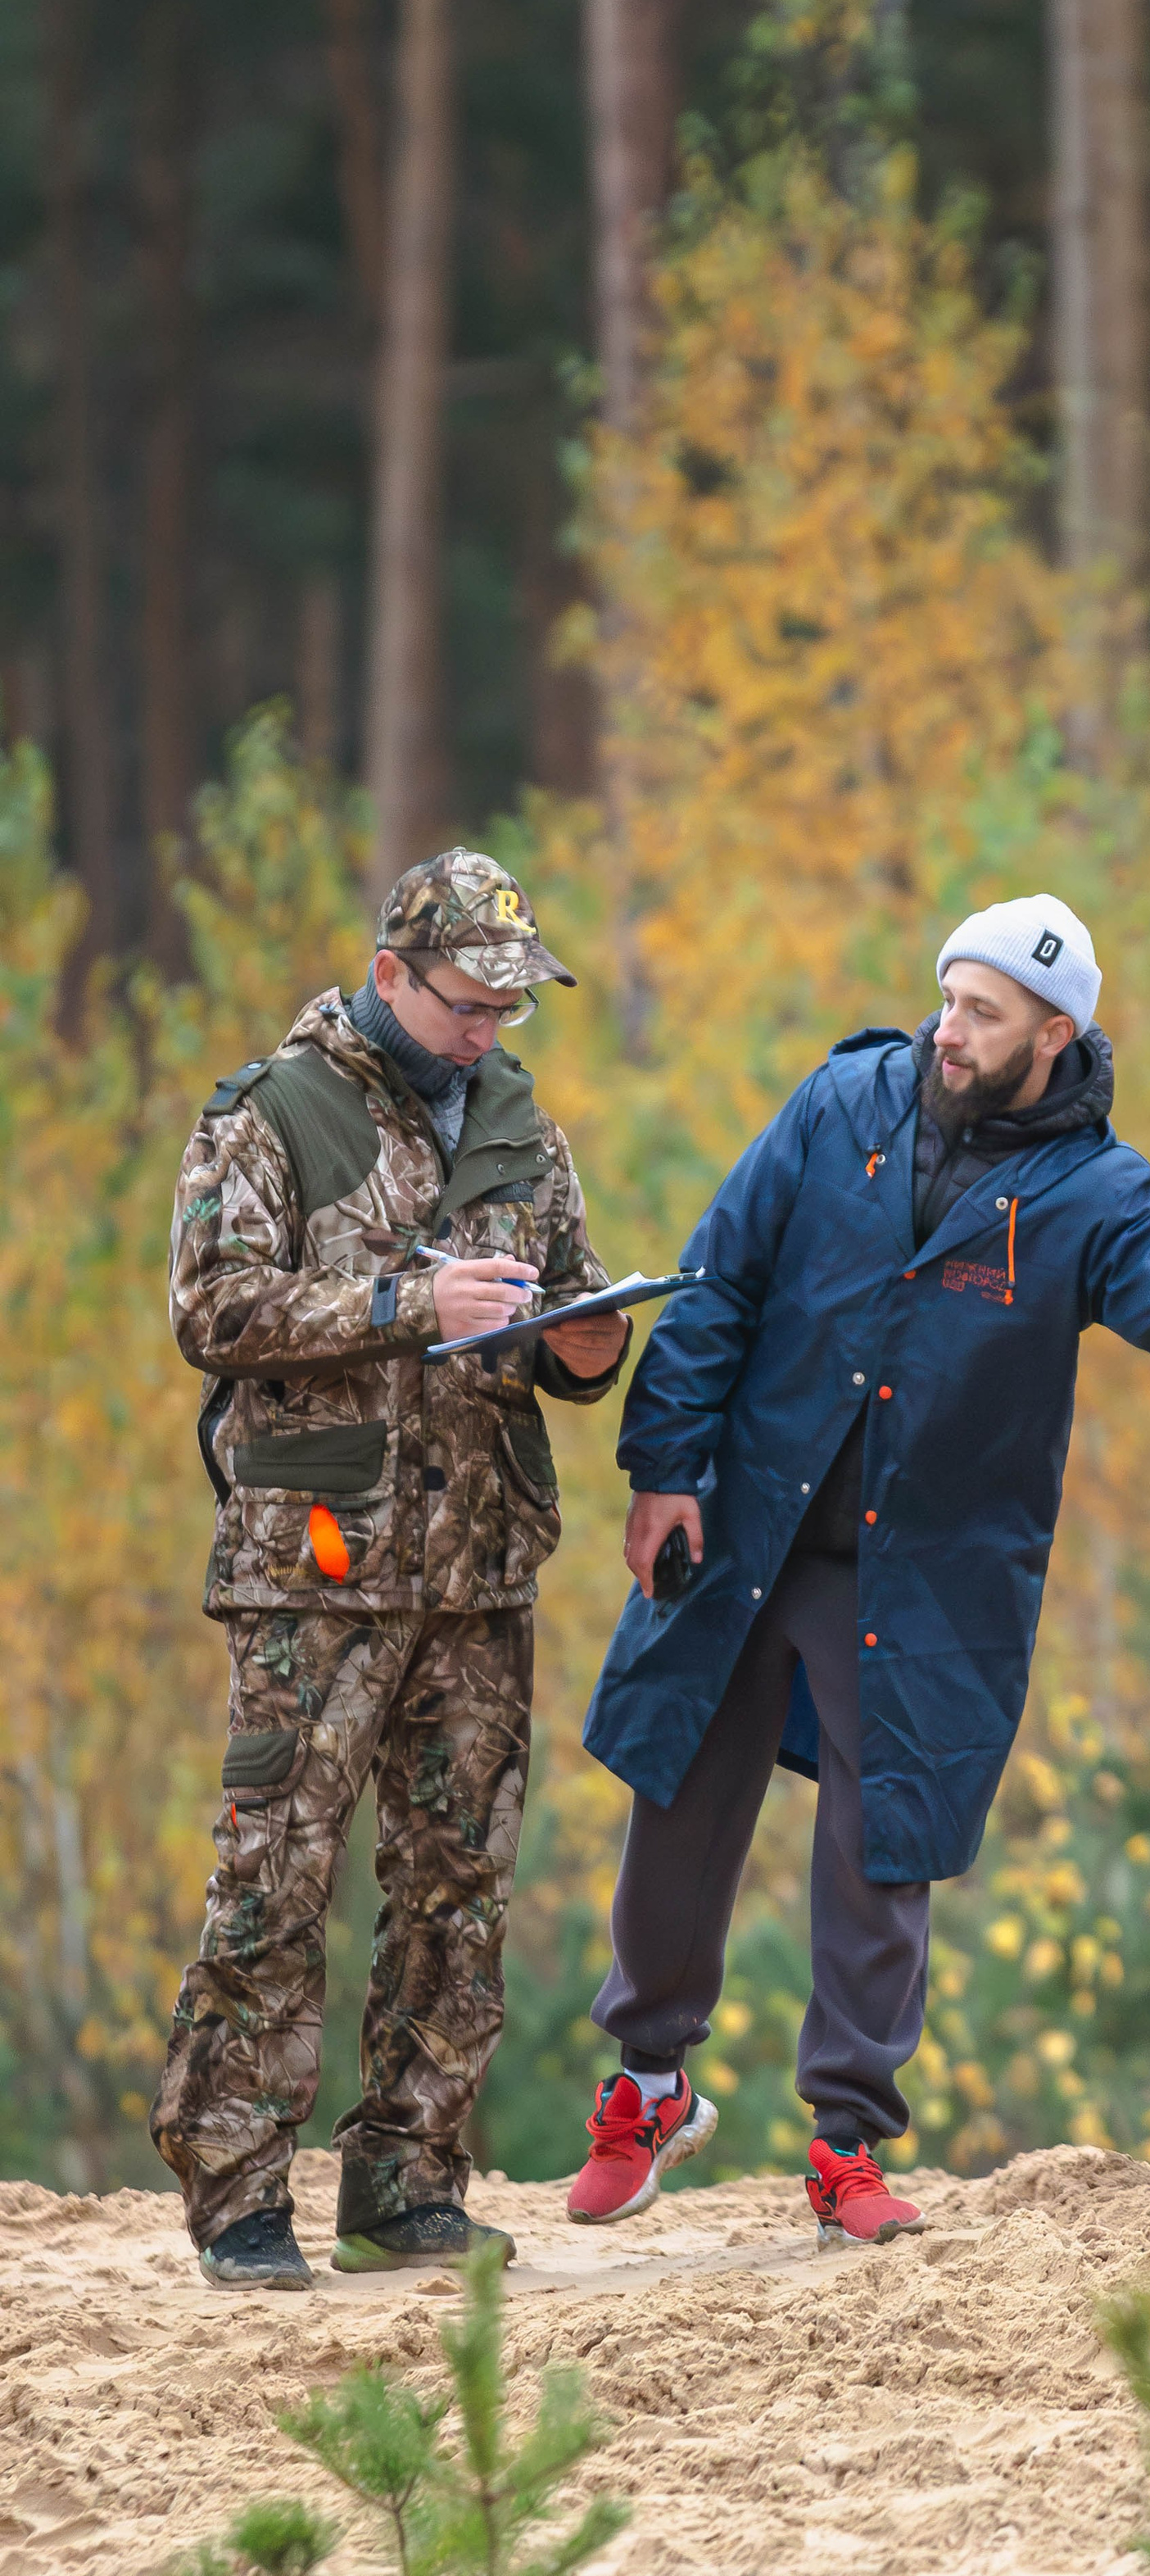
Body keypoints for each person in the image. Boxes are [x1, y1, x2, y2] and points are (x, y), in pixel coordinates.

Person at [567, 894, 1150, 2238]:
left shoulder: (1094, 1193)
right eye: (948, 1000)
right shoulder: (843, 1105)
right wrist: (664, 1468)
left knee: (883, 1845)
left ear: (1053, 1034)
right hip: (748, 1529)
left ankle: (845, 2144)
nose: (949, 1032)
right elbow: (718, 1280)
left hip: (922, 1577)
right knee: (677, 1795)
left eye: (983, 1013)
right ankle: (648, 2082)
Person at [153, 850, 632, 2289]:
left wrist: (586, 1347)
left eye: (508, 1007)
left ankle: (409, 2186)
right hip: (316, 1565)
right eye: (467, 1001)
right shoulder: (271, 1114)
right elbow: (213, 1308)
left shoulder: (523, 1133)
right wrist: (411, 1301)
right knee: (275, 1878)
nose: (487, 1029)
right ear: (389, 976)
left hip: (479, 1571)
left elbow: (566, 1304)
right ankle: (239, 2196)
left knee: (457, 1889)